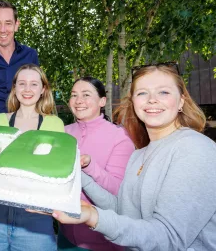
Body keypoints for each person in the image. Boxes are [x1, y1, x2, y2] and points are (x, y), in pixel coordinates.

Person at [51, 63, 216, 251]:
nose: (152, 100)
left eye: (163, 92)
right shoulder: (140, 154)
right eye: (142, 93)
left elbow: (169, 237)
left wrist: (94, 217)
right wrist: (79, 177)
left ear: (181, 101)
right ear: (133, 102)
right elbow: (123, 208)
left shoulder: (194, 149)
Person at [0, 63, 64, 251]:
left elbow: (53, 174)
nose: (27, 89)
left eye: (33, 84)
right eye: (21, 84)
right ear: (14, 88)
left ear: (43, 89)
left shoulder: (54, 124)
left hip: (35, 219)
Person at [58, 77, 134, 251]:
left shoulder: (119, 137)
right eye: (74, 95)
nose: (78, 101)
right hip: (65, 236)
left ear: (102, 101)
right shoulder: (63, 132)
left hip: (102, 241)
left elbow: (118, 190)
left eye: (86, 94)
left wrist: (89, 166)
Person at [0, 0, 39, 114]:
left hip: (25, 121)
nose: (3, 29)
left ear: (16, 25)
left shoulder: (30, 55)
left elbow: (38, 90)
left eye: (8, 23)